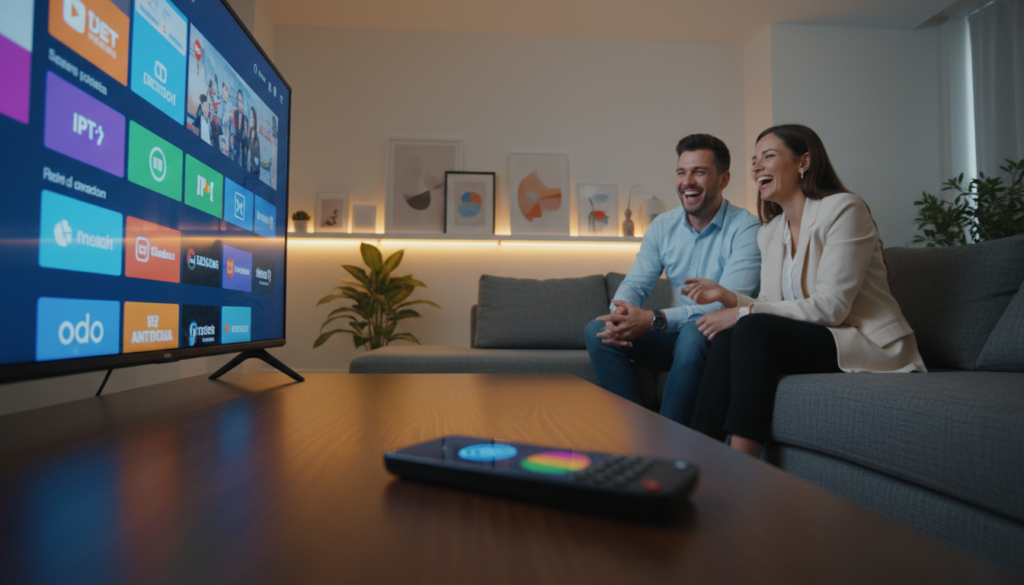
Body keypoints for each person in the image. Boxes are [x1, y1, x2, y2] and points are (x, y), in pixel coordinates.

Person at [684, 124, 926, 457]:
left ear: (804, 162)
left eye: (768, 156)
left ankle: (741, 465)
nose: (756, 168)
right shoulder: (771, 231)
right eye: (754, 161)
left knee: (749, 327)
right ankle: (698, 456)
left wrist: (741, 313)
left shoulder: (844, 209)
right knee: (728, 337)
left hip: (863, 339)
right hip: (819, 335)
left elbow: (832, 307)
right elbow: (771, 305)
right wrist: (728, 297)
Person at [584, 134, 761, 424]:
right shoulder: (662, 226)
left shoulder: (746, 229)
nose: (687, 182)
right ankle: (631, 432)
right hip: (672, 337)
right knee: (598, 330)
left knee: (693, 335)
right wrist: (620, 313)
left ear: (724, 179)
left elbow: (725, 305)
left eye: (699, 172)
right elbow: (636, 284)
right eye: (681, 172)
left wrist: (654, 319)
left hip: (718, 338)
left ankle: (667, 440)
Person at [248, 105, 262, 175]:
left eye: (253, 118)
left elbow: (257, 159)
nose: (251, 120)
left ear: (255, 119)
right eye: (250, 117)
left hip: (254, 172)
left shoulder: (257, 139)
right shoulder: (248, 134)